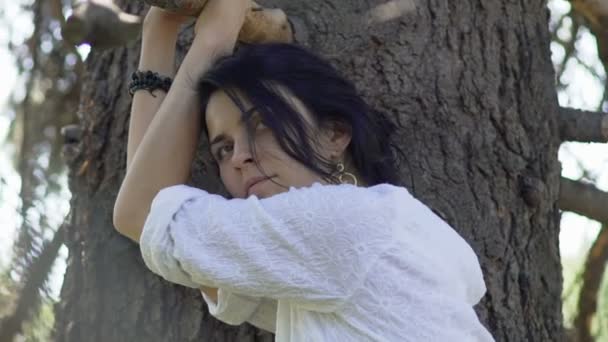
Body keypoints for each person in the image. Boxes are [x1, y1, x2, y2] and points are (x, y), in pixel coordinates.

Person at [113, 0, 495, 340]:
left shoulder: (343, 226)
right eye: (223, 148)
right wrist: (159, 30)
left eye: (261, 124)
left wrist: (213, 41)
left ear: (335, 133)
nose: (239, 157)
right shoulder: (361, 247)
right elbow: (152, 213)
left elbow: (141, 213)